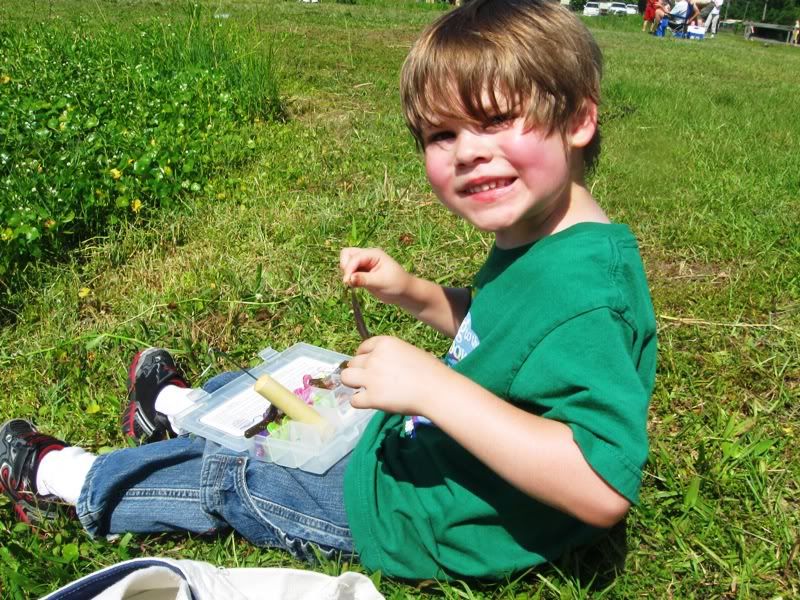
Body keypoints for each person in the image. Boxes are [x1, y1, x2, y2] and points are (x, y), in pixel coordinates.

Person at [0, 0, 657, 581]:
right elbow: (502, 332)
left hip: (432, 521)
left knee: (237, 480)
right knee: (299, 388)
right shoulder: (549, 237)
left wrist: (434, 387)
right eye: (442, 134)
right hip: (432, 457)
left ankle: (67, 479)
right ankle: (175, 409)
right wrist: (413, 292)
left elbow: (598, 485)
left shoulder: (589, 300)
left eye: (495, 120)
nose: (467, 152)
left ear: (578, 120)